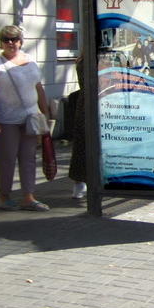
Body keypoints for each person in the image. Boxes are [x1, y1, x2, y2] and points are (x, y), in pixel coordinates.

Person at [0, 26, 50, 211]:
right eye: (6, 40)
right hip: (6, 120)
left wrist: (45, 113)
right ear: (1, 43)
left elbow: (38, 88)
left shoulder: (31, 61)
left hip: (30, 118)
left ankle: (28, 197)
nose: (11, 43)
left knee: (28, 158)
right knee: (7, 159)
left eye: (14, 39)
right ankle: (4, 197)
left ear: (21, 41)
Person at [67, 56, 86, 200]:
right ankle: (79, 181)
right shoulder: (85, 59)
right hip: (89, 104)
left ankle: (80, 182)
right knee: (82, 144)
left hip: (100, 102)